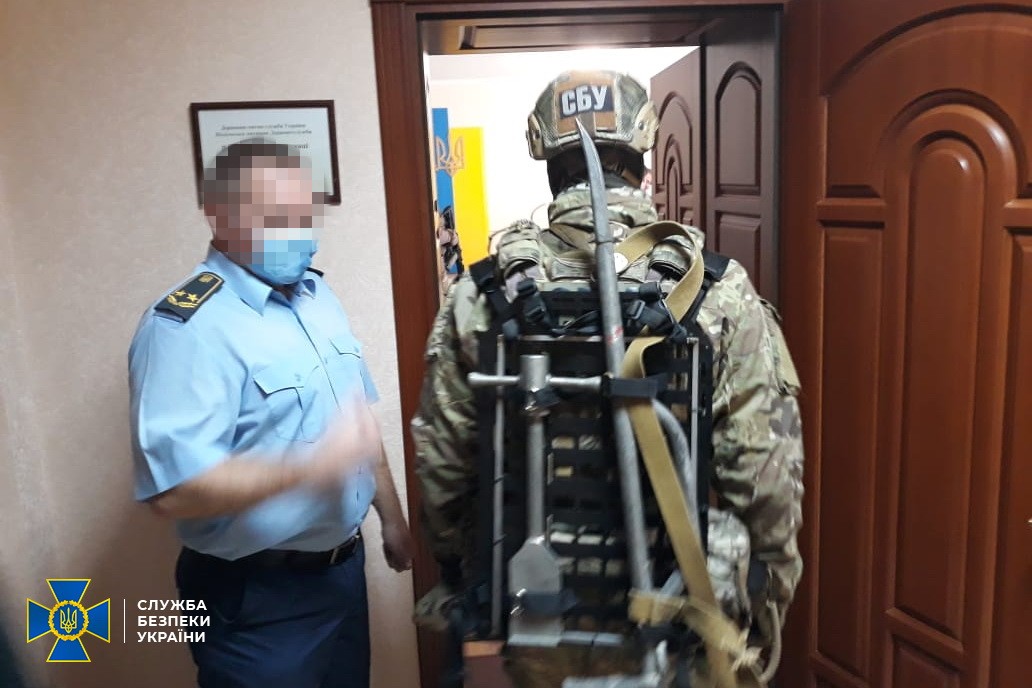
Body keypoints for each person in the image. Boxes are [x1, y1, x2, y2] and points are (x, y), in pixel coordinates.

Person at [411, 71, 803, 686]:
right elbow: (765, 479)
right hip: (673, 621)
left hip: (531, 612)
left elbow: (442, 470)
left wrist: (466, 574)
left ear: (547, 161)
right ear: (643, 154)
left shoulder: (479, 294)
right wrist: (762, 606)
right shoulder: (716, 292)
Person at [129, 138, 414, 688]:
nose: (297, 231)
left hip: (341, 575)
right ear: (219, 214)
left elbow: (355, 423)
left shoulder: (317, 297)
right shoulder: (186, 328)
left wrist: (392, 519)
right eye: (276, 217)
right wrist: (311, 468)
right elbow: (173, 493)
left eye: (305, 215)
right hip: (254, 599)